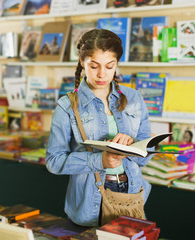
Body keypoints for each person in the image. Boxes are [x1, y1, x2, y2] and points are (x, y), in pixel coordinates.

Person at [45, 29, 152, 226]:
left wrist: (133, 145)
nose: (102, 74)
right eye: (94, 66)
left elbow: (148, 153)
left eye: (110, 67)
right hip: (90, 199)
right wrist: (99, 160)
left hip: (132, 192)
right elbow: (53, 161)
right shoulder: (66, 106)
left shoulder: (134, 98)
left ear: (117, 64)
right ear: (81, 61)